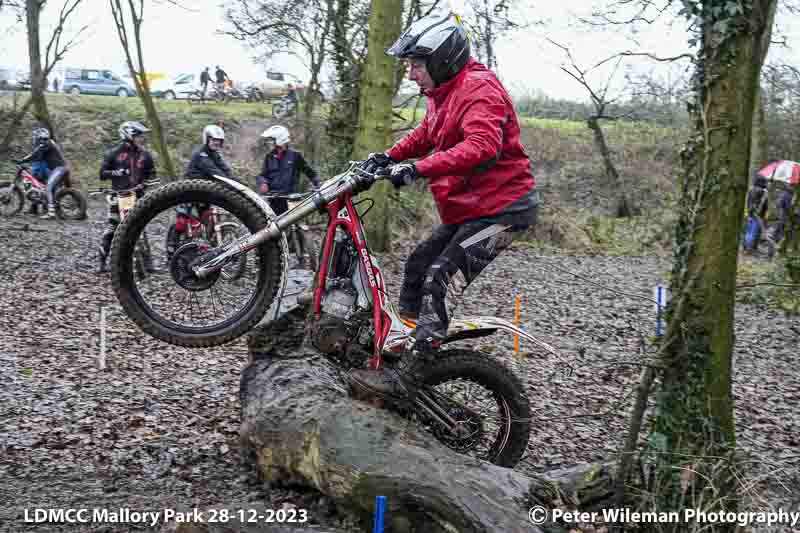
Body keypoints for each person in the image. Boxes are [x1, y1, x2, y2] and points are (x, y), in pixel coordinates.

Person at [348, 11, 538, 399]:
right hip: (474, 208)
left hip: (505, 210)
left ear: (442, 59)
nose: (411, 73)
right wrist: (387, 156)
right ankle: (403, 343)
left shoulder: (479, 89)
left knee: (441, 277)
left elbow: (481, 146)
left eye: (417, 64)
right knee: (418, 262)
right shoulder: (445, 92)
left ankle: (411, 376)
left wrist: (416, 169)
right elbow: (427, 132)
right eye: (408, 65)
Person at [97, 121, 158, 273]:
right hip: (117, 196)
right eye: (138, 136)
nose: (141, 139)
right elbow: (102, 174)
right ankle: (102, 263)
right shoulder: (113, 153)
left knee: (140, 228)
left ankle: (148, 264)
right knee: (112, 228)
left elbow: (152, 174)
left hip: (137, 196)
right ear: (128, 135)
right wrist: (118, 173)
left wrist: (146, 183)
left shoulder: (145, 154)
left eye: (141, 136)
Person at [167, 124, 232, 258]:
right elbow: (214, 172)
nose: (217, 143)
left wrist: (238, 183)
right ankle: (171, 247)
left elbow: (226, 171)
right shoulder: (201, 154)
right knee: (181, 222)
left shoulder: (215, 155)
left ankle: (205, 248)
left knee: (208, 221)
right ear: (207, 139)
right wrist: (228, 182)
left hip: (205, 194)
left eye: (219, 141)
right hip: (189, 192)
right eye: (214, 140)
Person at [256, 124, 320, 215]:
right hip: (275, 198)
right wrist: (263, 182)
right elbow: (263, 174)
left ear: (280, 139)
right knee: (276, 224)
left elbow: (310, 173)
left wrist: (318, 184)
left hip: (291, 198)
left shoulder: (295, 156)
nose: (270, 142)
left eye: (272, 140)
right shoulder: (269, 156)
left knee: (293, 224)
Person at [16, 127, 70, 219]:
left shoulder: (46, 143)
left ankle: (51, 213)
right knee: (48, 187)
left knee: (48, 187)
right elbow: (37, 155)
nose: (35, 140)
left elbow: (35, 154)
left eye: (36, 138)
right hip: (60, 169)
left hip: (59, 169)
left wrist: (22, 160)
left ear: (40, 137)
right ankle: (45, 207)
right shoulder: (49, 143)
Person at [743, 175, 769, 254]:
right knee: (752, 233)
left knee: (748, 231)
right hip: (757, 214)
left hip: (750, 213)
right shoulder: (763, 192)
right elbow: (764, 205)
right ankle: (748, 249)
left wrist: (747, 212)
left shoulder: (751, 189)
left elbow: (748, 201)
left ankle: (746, 247)